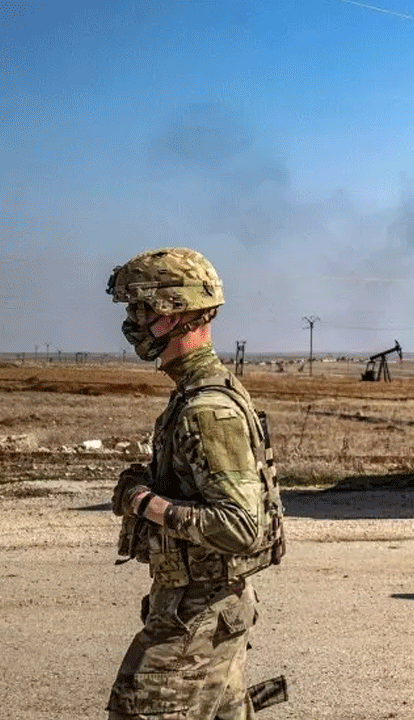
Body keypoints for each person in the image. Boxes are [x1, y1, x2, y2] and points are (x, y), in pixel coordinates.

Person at [106, 247, 285, 719]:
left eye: (142, 310)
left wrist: (143, 501)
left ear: (178, 314)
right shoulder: (199, 392)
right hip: (204, 606)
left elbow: (241, 525)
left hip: (198, 615)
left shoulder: (207, 408)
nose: (133, 323)